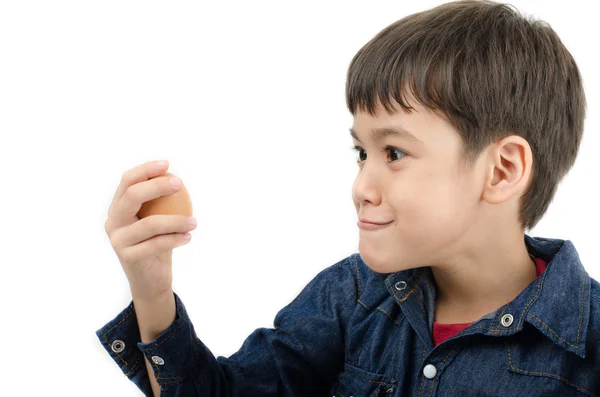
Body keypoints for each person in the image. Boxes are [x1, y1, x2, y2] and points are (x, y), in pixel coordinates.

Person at [96, 1, 600, 395]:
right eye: (361, 153)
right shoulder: (353, 295)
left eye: (395, 152)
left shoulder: (588, 347)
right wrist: (151, 290)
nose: (361, 186)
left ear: (502, 170)